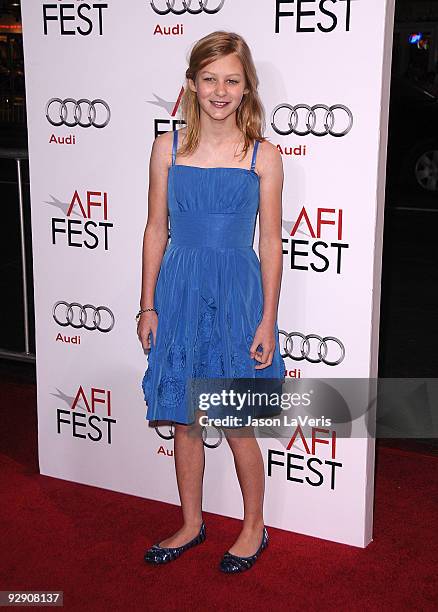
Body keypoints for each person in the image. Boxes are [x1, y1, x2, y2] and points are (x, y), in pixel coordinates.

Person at [137, 30, 285, 573]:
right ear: (192, 84)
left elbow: (270, 242)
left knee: (236, 418)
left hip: (237, 295)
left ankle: (253, 528)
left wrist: (268, 318)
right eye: (209, 79)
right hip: (179, 289)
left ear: (247, 88)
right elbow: (156, 229)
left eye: (232, 80)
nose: (220, 90)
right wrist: (147, 304)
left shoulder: (263, 156)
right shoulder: (167, 147)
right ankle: (192, 522)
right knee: (184, 419)